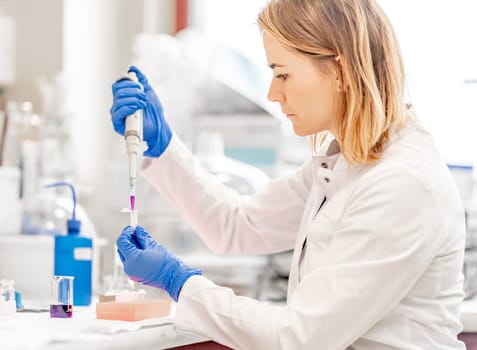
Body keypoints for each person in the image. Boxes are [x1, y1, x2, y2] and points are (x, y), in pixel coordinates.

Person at [109, 0, 466, 348]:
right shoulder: (343, 164)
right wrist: (164, 147)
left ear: (339, 71)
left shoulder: (402, 184)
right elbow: (238, 226)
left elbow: (300, 338)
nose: (273, 93)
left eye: (283, 74)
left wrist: (180, 281)